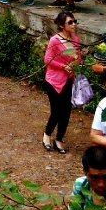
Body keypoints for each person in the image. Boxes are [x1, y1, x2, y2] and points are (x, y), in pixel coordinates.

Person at [42, 10, 81, 153]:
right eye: (70, 22)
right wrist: (63, 66)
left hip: (69, 79)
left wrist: (74, 65)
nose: (73, 24)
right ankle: (47, 134)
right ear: (62, 25)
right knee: (56, 110)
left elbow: (78, 57)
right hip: (54, 80)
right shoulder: (55, 40)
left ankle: (59, 138)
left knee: (66, 111)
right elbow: (48, 59)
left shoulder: (76, 40)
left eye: (74, 21)